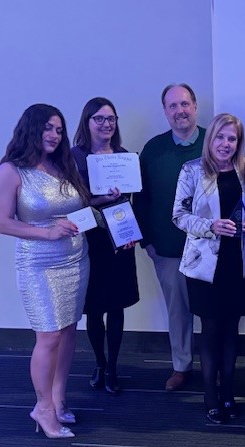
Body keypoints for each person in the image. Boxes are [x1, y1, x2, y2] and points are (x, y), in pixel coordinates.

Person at [0, 104, 90, 438]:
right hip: (39, 263)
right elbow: (3, 223)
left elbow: (78, 208)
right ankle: (43, 409)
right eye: (48, 128)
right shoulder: (10, 171)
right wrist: (47, 233)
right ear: (31, 129)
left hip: (76, 259)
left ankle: (58, 400)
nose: (54, 135)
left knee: (67, 332)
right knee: (48, 336)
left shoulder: (63, 165)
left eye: (59, 130)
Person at [172, 113, 245, 424]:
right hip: (204, 265)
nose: (226, 144)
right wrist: (210, 226)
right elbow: (179, 216)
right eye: (220, 137)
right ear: (210, 139)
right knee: (210, 331)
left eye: (232, 138)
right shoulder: (192, 170)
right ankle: (210, 396)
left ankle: (228, 393)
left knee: (232, 331)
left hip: (238, 262)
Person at [133, 84, 205, 391]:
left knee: (213, 311)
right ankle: (182, 366)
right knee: (178, 311)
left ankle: (215, 365)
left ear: (195, 106)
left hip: (209, 249)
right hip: (168, 249)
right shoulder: (153, 149)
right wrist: (147, 241)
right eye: (173, 106)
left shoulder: (212, 142)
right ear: (165, 111)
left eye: (185, 104)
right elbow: (142, 198)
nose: (180, 111)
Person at [72, 97, 140, 395]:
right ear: (87, 122)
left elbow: (130, 201)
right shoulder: (73, 158)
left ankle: (113, 366)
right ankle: (99, 363)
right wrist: (99, 200)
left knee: (116, 305)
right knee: (94, 307)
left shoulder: (124, 157)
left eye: (111, 118)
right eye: (99, 118)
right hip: (90, 241)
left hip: (119, 239)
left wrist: (130, 235)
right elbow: (71, 203)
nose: (106, 124)